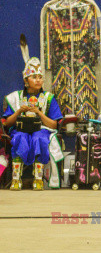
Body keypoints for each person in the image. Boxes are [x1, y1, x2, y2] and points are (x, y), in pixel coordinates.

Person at [3, 55, 63, 191]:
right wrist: (19, 111)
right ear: (26, 80)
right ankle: (16, 179)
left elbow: (54, 125)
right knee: (20, 137)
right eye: (34, 77)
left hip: (41, 130)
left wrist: (39, 112)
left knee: (39, 138)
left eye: (40, 77)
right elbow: (7, 123)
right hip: (20, 129)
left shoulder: (48, 98)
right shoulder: (16, 97)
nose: (38, 80)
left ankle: (38, 179)